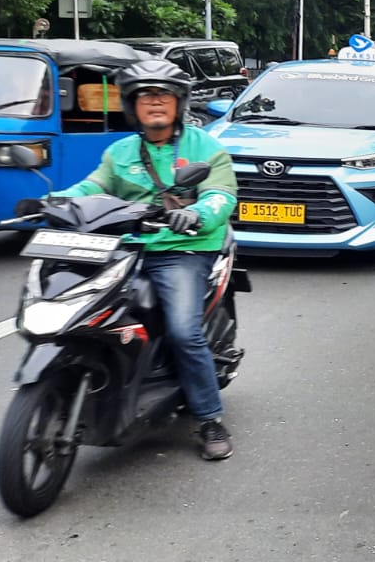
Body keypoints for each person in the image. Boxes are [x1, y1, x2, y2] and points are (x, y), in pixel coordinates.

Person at [42, 60, 239, 460]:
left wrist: (197, 213)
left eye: (163, 94)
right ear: (133, 105)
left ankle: (209, 418)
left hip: (182, 249)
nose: (155, 102)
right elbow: (93, 187)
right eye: (145, 95)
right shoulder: (120, 152)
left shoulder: (206, 148)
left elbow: (221, 195)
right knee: (80, 311)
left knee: (183, 331)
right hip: (123, 248)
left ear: (179, 102)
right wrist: (55, 201)